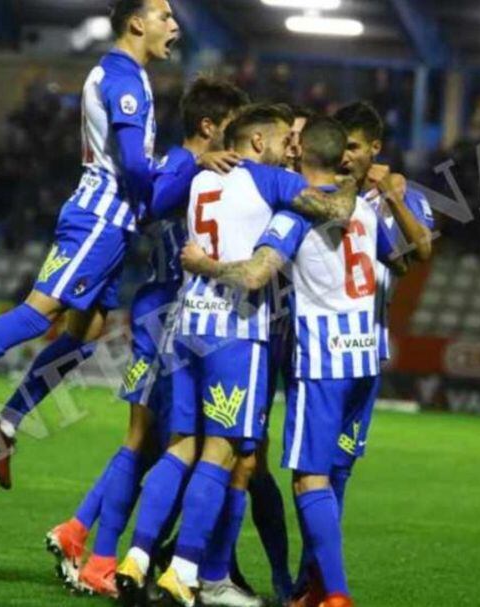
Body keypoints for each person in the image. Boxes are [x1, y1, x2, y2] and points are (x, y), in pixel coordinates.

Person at [0, 0, 178, 458]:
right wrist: (162, 189)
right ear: (136, 22)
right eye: (165, 17)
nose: (174, 27)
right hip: (100, 220)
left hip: (106, 219)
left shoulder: (119, 72)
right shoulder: (124, 78)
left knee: (86, 336)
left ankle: (6, 425)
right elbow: (133, 163)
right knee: (38, 312)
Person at [115, 105, 359, 607]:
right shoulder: (268, 180)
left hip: (186, 325)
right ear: (255, 144)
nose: (287, 149)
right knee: (221, 453)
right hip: (236, 330)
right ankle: (183, 570)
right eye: (277, 141)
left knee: (179, 446)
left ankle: (136, 557)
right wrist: (351, 178)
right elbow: (337, 211)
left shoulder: (203, 180)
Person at [178, 115, 408, 607]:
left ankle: (334, 594)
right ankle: (309, 587)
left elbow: (257, 275)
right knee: (334, 473)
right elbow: (405, 257)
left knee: (309, 478)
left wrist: (204, 265)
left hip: (322, 361)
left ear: (302, 155)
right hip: (366, 358)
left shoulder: (294, 214)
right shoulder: (364, 210)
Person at [44, 76, 250, 599]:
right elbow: (152, 206)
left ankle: (81, 532)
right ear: (210, 126)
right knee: (151, 442)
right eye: (233, 128)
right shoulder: (187, 166)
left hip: (161, 309)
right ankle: (105, 555)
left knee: (151, 442)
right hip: (169, 311)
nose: (239, 138)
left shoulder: (190, 168)